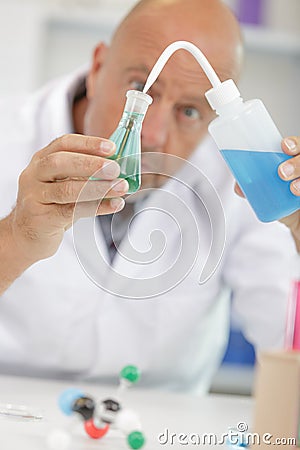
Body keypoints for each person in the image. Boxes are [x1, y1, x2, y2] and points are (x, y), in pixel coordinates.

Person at [0, 0, 297, 393]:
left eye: (189, 112)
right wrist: (16, 238)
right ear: (98, 66)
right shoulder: (8, 133)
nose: (153, 135)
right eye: (140, 88)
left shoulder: (242, 178)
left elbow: (288, 345)